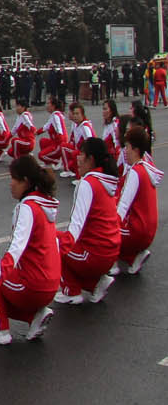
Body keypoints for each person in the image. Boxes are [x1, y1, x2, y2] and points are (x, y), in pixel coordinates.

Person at [0, 153, 61, 345]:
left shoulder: (27, 207)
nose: (10, 184)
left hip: (33, 284)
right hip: (51, 283)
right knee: (5, 279)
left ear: (25, 181)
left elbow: (17, 247)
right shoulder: (46, 204)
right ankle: (34, 316)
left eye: (14, 179)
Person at [54, 137, 123, 305]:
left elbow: (76, 226)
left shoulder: (87, 184)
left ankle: (71, 291)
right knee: (63, 240)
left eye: (81, 153)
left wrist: (57, 246)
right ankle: (95, 284)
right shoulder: (105, 180)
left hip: (95, 254)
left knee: (52, 239)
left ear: (91, 159)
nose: (77, 157)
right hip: (111, 252)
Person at [114, 122, 159, 277]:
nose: (125, 151)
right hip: (149, 230)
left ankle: (112, 262)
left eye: (127, 147)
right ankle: (133, 255)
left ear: (136, 150)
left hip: (138, 231)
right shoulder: (147, 166)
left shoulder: (135, 172)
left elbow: (123, 206)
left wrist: (108, 230)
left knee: (100, 230)